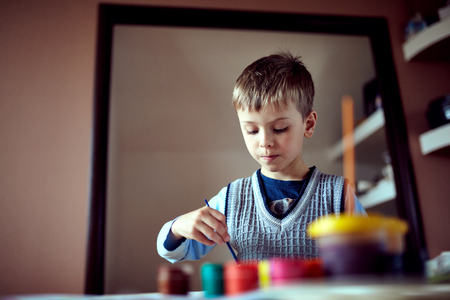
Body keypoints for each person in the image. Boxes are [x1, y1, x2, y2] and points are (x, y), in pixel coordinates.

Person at [157, 51, 366, 264]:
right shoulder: (231, 199)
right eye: (252, 131)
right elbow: (172, 251)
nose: (265, 142)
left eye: (280, 128)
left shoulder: (338, 196)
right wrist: (177, 227)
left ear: (308, 124)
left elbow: (372, 258)